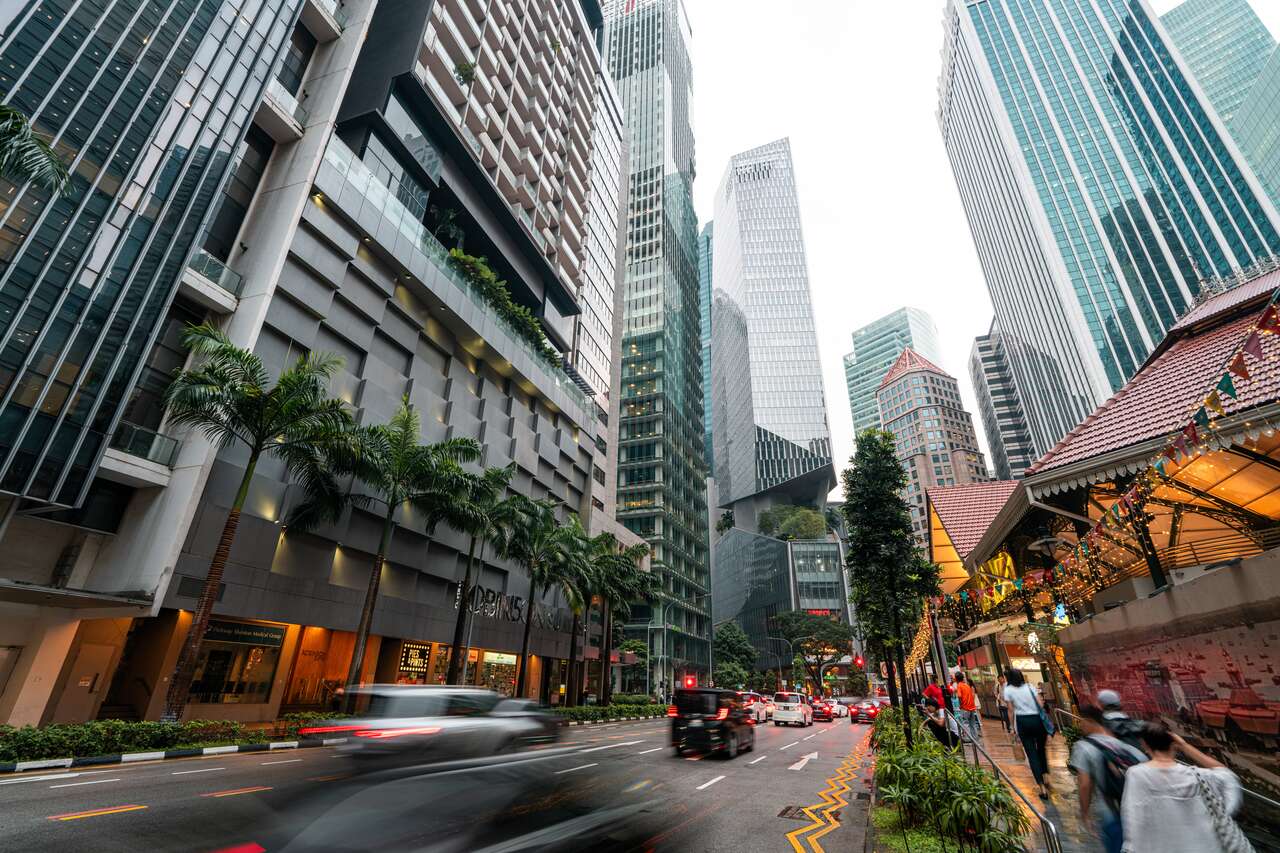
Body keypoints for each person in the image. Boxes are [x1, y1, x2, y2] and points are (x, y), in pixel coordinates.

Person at [1121, 722, 1247, 853]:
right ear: (1173, 743)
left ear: (1145, 745)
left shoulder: (1136, 774)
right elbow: (1227, 776)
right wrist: (1184, 745)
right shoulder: (1196, 775)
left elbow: (1133, 818)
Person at [1070, 705, 1147, 853]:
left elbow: (1084, 784)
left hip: (1111, 812)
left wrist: (1084, 814)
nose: (1080, 725)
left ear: (1089, 721)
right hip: (1138, 809)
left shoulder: (1083, 747)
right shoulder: (1122, 744)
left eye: (1081, 721)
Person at [1003, 667, 1051, 798]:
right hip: (1037, 720)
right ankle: (1046, 776)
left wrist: (1012, 728)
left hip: (1023, 722)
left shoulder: (1008, 690)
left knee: (1031, 754)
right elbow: (1040, 704)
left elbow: (1010, 710)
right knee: (1041, 749)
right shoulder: (1030, 686)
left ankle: (1042, 788)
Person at [953, 671, 981, 741]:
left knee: (966, 723)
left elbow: (959, 696)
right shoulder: (967, 685)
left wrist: (960, 705)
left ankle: (969, 739)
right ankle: (975, 737)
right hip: (972, 707)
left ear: (956, 679)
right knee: (973, 724)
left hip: (965, 708)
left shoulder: (959, 685)